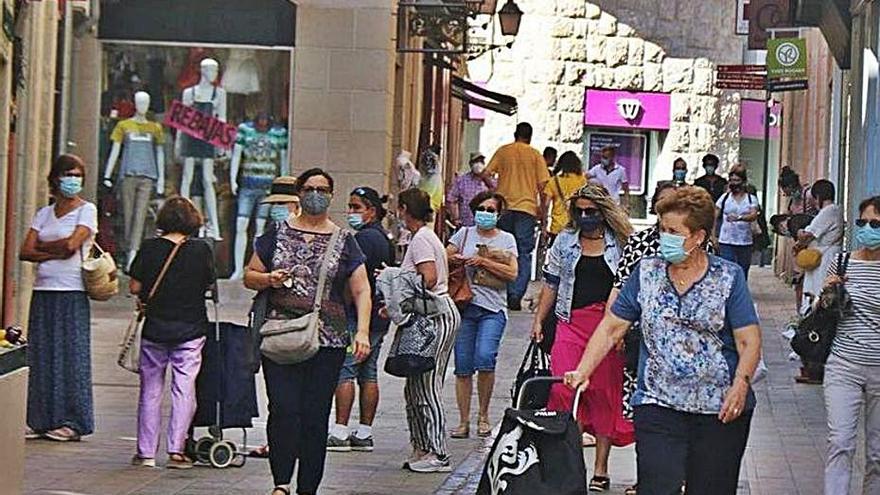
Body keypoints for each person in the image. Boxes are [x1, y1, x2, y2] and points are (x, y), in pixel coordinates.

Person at [564, 186, 762, 495]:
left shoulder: (728, 277)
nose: (663, 238)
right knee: (658, 486)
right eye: (662, 229)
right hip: (658, 404)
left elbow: (748, 340)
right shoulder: (647, 273)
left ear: (698, 237)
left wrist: (741, 384)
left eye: (673, 231)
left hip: (719, 409)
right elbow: (612, 326)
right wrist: (583, 371)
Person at [244, 168, 372, 495]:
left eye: (323, 189)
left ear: (331, 195)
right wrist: (269, 279)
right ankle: (281, 482)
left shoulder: (344, 240)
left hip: (327, 339)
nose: (316, 194)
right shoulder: (276, 233)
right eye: (310, 188)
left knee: (315, 415)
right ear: (299, 194)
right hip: (280, 332)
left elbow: (361, 289)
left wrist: (362, 332)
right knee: (283, 408)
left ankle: (308, 488)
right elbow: (250, 275)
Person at [531, 182, 634, 492]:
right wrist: (539, 319)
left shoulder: (620, 243)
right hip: (569, 322)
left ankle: (601, 468)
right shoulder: (565, 242)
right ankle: (574, 463)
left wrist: (624, 329)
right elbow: (551, 283)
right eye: (580, 211)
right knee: (564, 390)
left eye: (591, 211)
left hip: (608, 326)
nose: (586, 216)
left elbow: (629, 288)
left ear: (603, 212)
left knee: (603, 394)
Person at [128, 197, 215, 469]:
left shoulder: (150, 248)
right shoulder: (202, 250)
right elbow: (209, 285)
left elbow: (133, 287)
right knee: (184, 389)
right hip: (190, 329)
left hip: (155, 328)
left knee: (150, 390)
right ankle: (177, 449)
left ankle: (146, 452)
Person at [20, 154, 98, 442]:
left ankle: (73, 420)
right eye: (69, 174)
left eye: (78, 175)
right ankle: (39, 418)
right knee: (41, 354)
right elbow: (24, 251)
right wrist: (53, 248)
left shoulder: (86, 211)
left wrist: (44, 246)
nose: (73, 180)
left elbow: (71, 245)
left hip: (71, 290)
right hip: (43, 290)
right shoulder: (44, 213)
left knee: (71, 356)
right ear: (56, 178)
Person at [396, 188, 461, 473]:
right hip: (428, 314)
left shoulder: (421, 238)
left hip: (434, 315)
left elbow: (429, 279)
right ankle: (421, 445)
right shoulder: (423, 237)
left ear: (404, 209)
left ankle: (438, 451)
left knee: (428, 385)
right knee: (415, 386)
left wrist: (398, 285)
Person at [327, 187, 395, 452]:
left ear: (371, 210)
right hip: (379, 315)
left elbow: (352, 280)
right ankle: (364, 432)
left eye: (357, 207)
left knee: (346, 369)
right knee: (368, 373)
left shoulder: (363, 239)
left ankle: (341, 430)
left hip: (359, 316)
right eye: (350, 206)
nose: (351, 212)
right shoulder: (383, 238)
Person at [446, 191, 518, 439]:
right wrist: (455, 259)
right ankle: (464, 420)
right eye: (482, 209)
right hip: (465, 308)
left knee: (485, 358)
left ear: (498, 214)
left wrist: (484, 262)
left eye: (491, 210)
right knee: (463, 366)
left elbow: (512, 274)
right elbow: (443, 257)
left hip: (493, 309)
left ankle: (484, 415)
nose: (485, 214)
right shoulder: (463, 234)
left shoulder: (507, 239)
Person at [823, 196, 880, 494]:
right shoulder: (841, 261)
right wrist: (829, 292)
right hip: (843, 365)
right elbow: (824, 309)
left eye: (876, 224)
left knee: (877, 454)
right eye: (863, 223)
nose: (868, 229)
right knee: (840, 442)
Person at [483, 122, 551, 311]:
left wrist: (496, 191)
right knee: (523, 253)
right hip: (526, 209)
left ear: (515, 134)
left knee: (502, 250)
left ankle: (501, 291)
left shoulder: (504, 151)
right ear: (530, 136)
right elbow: (543, 188)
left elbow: (485, 174)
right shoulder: (536, 155)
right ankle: (516, 294)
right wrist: (543, 214)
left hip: (504, 207)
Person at [795, 179, 844, 305]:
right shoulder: (835, 210)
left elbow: (807, 235)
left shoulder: (829, 211)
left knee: (816, 290)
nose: (814, 203)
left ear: (818, 196)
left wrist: (799, 231)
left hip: (823, 259)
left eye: (814, 199)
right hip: (826, 256)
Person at [716, 165, 760, 280]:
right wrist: (712, 236)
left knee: (743, 269)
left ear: (743, 181)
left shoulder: (751, 199)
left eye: (737, 180)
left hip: (744, 241)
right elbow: (714, 216)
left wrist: (739, 218)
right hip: (726, 240)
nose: (734, 183)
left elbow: (753, 215)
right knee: (728, 269)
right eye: (731, 180)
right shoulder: (724, 198)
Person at [543, 151, 587, 246]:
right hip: (576, 226)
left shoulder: (553, 181)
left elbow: (546, 205)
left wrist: (544, 226)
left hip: (557, 227)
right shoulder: (583, 181)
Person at [446, 153, 495, 228]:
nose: (479, 164)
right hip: (466, 224)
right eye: (476, 161)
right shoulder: (461, 180)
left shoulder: (490, 181)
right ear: (470, 164)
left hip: (485, 224)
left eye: (481, 161)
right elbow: (451, 199)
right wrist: (455, 218)